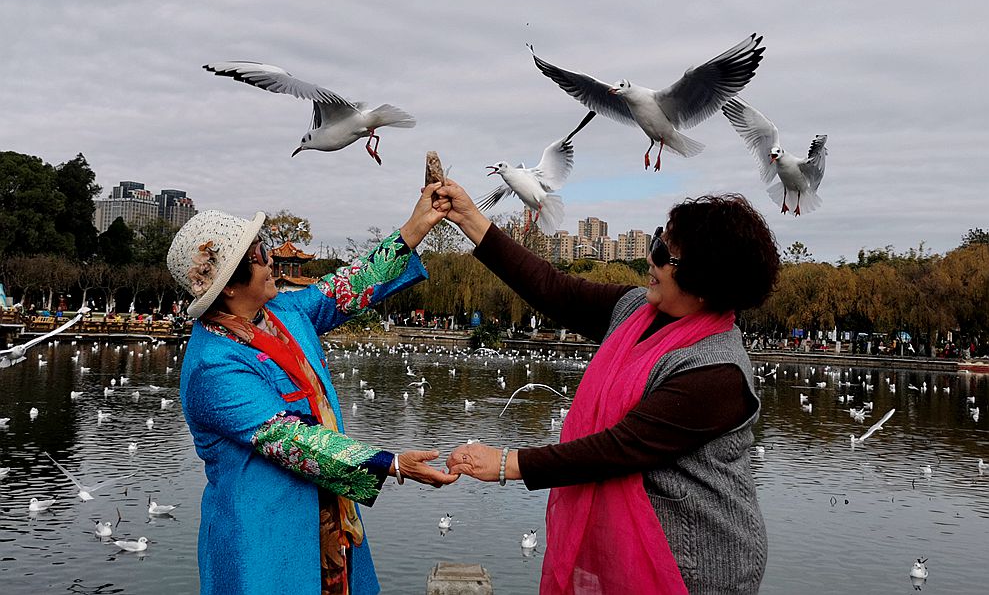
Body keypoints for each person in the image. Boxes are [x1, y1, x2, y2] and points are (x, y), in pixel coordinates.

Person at [437, 180, 779, 594]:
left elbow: (619, 449)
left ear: (702, 283)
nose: (648, 259)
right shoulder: (638, 309)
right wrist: (468, 217)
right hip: (628, 548)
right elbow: (554, 289)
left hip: (695, 563)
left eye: (661, 253)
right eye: (656, 240)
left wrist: (507, 463)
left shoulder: (716, 372)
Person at [167, 184, 457, 595]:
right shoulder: (212, 364)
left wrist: (418, 225)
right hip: (262, 535)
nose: (270, 260)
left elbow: (348, 286)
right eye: (259, 254)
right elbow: (290, 438)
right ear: (228, 286)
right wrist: (391, 465)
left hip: (325, 518)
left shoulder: (282, 312)